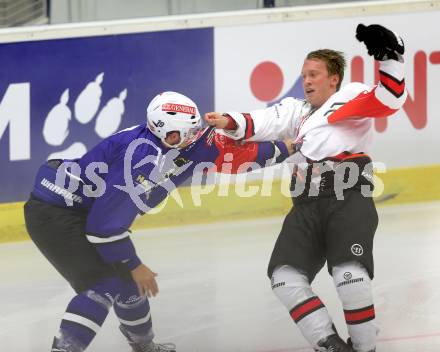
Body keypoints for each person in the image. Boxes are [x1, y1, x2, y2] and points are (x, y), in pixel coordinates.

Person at [24, 91, 294, 352]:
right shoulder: (141, 157)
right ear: (168, 133)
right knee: (103, 284)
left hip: (83, 208)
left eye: (195, 128)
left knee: (129, 284)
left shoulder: (186, 142)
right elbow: (103, 228)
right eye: (188, 132)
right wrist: (134, 264)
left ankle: (143, 346)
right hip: (55, 213)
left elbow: (239, 154)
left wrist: (287, 147)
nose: (195, 136)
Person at [204, 24, 406, 352]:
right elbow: (264, 121)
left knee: (349, 275)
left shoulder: (350, 96)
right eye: (304, 75)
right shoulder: (296, 111)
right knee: (284, 278)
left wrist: (391, 59)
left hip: (347, 197)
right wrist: (229, 121)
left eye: (314, 74)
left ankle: (365, 348)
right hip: (305, 205)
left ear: (333, 79)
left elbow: (389, 99)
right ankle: (329, 345)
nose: (307, 81)